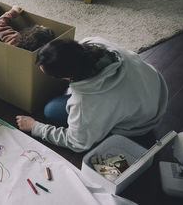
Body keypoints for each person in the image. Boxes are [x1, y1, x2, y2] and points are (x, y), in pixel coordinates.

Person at [16, 37, 168, 152]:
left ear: (66, 77)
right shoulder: (95, 42)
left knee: (51, 110)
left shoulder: (84, 102)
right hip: (153, 93)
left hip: (139, 124)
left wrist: (35, 127)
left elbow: (78, 143)